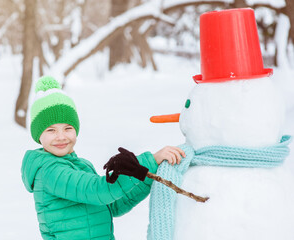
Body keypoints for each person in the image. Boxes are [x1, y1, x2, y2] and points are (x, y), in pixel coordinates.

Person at [21, 76, 185, 240]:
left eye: (67, 128)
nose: (61, 136)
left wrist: (147, 172)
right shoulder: (50, 172)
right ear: (38, 135)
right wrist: (146, 161)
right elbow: (100, 191)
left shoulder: (80, 165)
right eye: (51, 130)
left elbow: (113, 205)